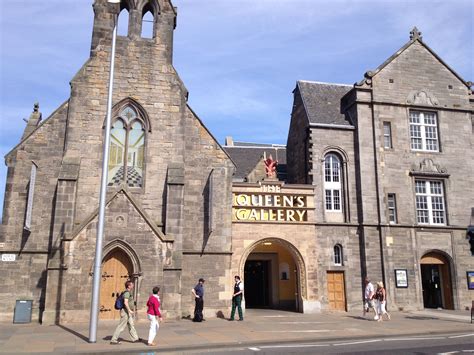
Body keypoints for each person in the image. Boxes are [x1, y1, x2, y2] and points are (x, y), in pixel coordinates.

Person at [110, 281, 140, 345]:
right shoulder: (127, 293)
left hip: (127, 312)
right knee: (121, 326)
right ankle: (113, 340)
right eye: (132, 284)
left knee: (131, 325)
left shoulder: (128, 292)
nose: (133, 285)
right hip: (125, 311)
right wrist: (129, 310)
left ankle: (135, 338)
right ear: (129, 286)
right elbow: (125, 302)